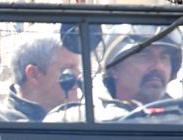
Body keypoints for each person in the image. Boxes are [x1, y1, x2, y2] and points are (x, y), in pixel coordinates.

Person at [49, 24, 183, 121]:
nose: (158, 66)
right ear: (114, 69)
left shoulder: (178, 117)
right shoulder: (75, 119)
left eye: (164, 57)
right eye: (144, 56)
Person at [0, 35, 81, 121]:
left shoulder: (84, 120)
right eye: (67, 70)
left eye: (79, 70)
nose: (79, 78)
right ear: (34, 74)